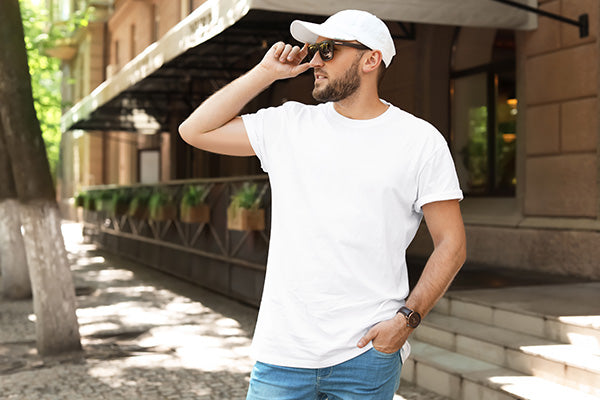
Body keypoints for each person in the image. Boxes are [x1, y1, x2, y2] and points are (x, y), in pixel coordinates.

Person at [179, 9, 466, 400]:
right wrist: (265, 73)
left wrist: (406, 321)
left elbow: (451, 243)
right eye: (314, 49)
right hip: (283, 354)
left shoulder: (420, 141)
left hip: (367, 354)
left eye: (328, 50)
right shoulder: (288, 125)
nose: (314, 59)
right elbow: (194, 130)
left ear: (370, 59)